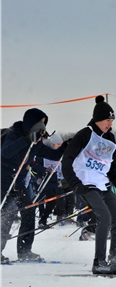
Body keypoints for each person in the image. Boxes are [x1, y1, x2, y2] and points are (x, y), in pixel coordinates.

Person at [62, 95, 116, 274]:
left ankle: (115, 257)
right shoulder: (84, 134)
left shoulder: (110, 139)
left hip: (101, 184)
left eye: (112, 120)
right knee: (104, 217)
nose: (110, 123)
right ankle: (99, 261)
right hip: (85, 183)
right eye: (107, 119)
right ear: (97, 119)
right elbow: (67, 161)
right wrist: (75, 184)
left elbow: (113, 170)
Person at [1, 108, 67, 263]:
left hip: (18, 183)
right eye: (40, 125)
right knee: (6, 215)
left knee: (29, 212)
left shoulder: (36, 143)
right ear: (31, 124)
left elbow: (53, 154)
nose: (42, 130)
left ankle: (25, 251)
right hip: (2, 181)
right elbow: (5, 152)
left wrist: (66, 146)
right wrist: (26, 140)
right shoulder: (14, 134)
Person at [33, 133, 64, 228]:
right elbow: (35, 166)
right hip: (44, 180)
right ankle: (42, 219)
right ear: (52, 144)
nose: (59, 146)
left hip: (54, 181)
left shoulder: (59, 155)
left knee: (54, 201)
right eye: (58, 144)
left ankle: (44, 219)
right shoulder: (44, 153)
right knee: (52, 199)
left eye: (61, 144)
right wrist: (44, 170)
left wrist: (60, 178)